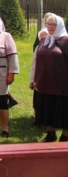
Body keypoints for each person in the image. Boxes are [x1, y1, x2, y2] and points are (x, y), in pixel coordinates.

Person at [30, 13, 68, 142]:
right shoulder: (44, 40)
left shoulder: (66, 40)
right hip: (45, 83)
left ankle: (65, 135)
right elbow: (37, 60)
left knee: (63, 110)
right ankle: (50, 134)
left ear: (60, 25)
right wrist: (35, 79)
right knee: (47, 108)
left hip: (62, 85)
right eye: (49, 24)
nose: (51, 27)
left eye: (54, 24)